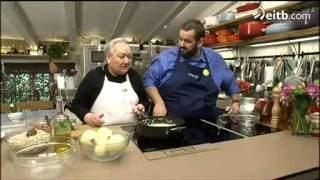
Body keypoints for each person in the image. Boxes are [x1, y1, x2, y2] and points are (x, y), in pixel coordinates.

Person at [143, 19, 240, 122]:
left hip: (206, 126)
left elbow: (230, 82)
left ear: (200, 42)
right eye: (180, 39)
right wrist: (158, 102)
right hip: (170, 124)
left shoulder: (214, 59)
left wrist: (235, 102)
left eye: (187, 41)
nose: (181, 44)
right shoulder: (166, 58)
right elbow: (149, 80)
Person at [70, 38, 149, 127]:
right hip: (102, 136)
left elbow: (145, 100)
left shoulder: (134, 76)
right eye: (121, 56)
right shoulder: (94, 77)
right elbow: (77, 106)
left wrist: (142, 106)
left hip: (133, 136)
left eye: (129, 57)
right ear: (108, 58)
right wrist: (87, 117)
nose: (127, 61)